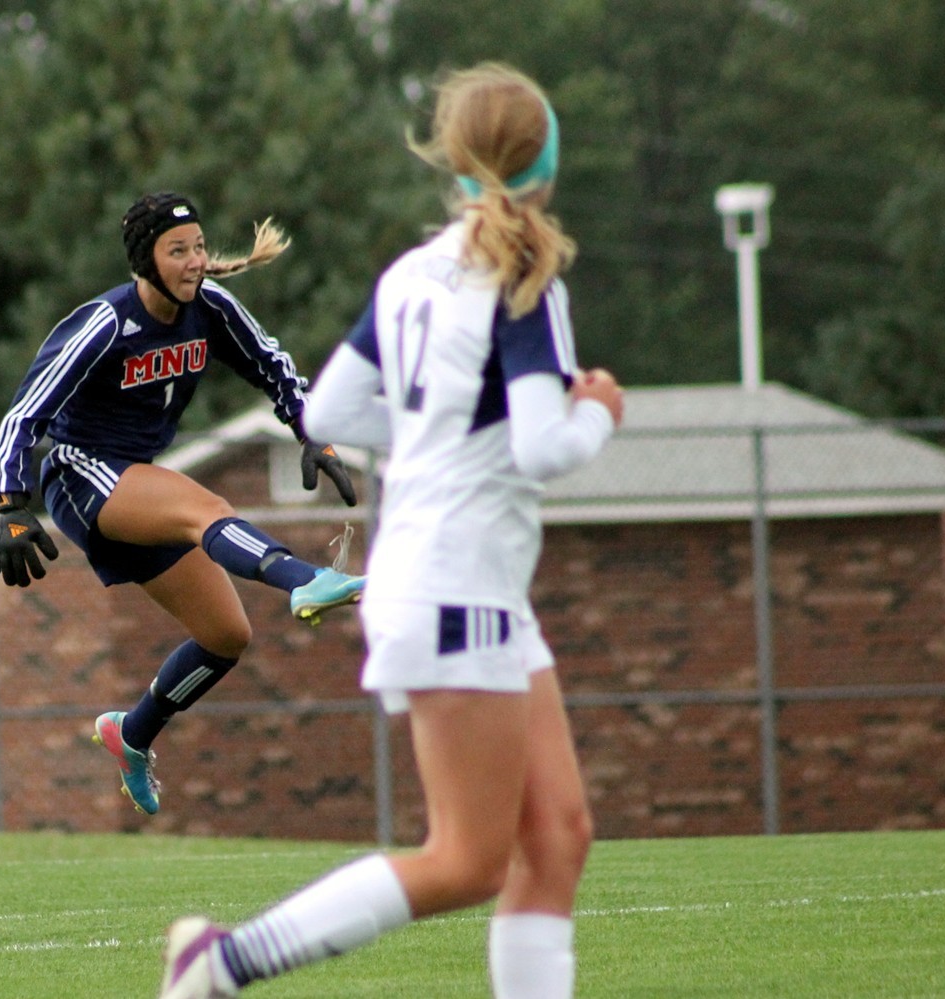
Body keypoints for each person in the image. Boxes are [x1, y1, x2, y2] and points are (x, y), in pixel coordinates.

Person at [156, 62, 625, 999]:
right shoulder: (523, 271)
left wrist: (437, 428)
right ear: (548, 162)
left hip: (460, 583)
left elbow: (331, 406)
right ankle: (224, 962)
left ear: (452, 161)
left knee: (558, 833)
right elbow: (542, 446)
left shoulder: (413, 274)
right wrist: (602, 409)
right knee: (467, 860)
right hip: (456, 586)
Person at [0, 191, 365, 817]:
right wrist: (10, 504)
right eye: (178, 251)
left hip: (136, 483)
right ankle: (307, 580)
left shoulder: (211, 307)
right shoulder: (106, 322)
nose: (195, 262)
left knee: (226, 635)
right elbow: (25, 413)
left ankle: (131, 735)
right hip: (83, 479)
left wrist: (312, 432)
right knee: (203, 505)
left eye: (198, 247)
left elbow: (273, 366)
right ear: (146, 261)